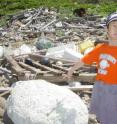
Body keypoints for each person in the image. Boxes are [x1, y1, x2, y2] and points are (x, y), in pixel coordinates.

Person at [65, 12, 117, 124]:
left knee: (113, 115)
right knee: (102, 113)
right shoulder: (100, 48)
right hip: (100, 87)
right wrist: (71, 70)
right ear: (107, 30)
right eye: (114, 26)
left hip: (115, 88)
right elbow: (84, 60)